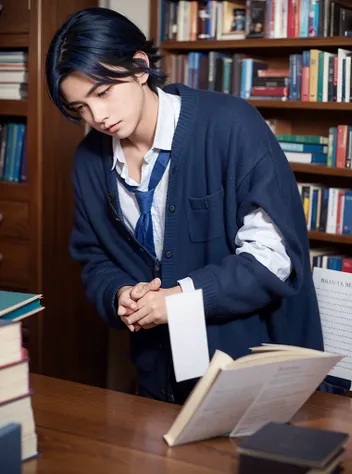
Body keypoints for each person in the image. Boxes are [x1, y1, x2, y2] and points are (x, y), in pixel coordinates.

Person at [45, 7, 325, 404]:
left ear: (139, 66)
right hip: (156, 376)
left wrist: (178, 300)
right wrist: (119, 292)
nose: (98, 116)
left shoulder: (231, 125)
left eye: (103, 93)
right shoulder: (89, 161)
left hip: (250, 370)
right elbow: (93, 258)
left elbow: (273, 258)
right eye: (80, 108)